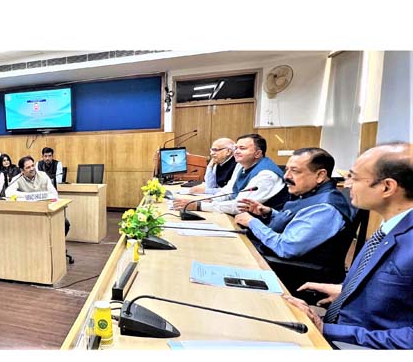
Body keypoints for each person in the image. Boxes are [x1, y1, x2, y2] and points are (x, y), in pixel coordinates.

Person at [284, 142, 413, 349]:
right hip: (342, 324)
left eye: (354, 177)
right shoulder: (389, 227)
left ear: (387, 187)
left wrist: (326, 329)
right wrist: (348, 291)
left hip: (361, 343)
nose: (347, 183)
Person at [234, 147, 354, 263]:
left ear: (320, 175)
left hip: (290, 273)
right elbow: (299, 220)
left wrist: (252, 222)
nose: (286, 176)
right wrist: (269, 213)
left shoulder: (324, 208)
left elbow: (286, 247)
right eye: (287, 170)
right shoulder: (313, 195)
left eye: (295, 171)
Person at [173, 133, 289, 215]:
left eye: (242, 148)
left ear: (258, 154)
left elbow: (240, 206)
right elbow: (229, 191)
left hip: (263, 226)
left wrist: (199, 206)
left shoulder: (266, 175)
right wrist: (210, 200)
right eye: (236, 148)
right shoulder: (240, 165)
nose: (236, 151)